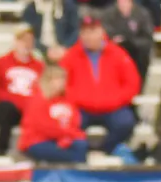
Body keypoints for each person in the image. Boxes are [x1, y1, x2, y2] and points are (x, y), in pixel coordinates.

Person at [60, 17, 141, 156]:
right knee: (67, 123)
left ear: (101, 32)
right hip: (81, 108)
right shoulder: (71, 56)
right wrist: (77, 99)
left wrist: (117, 100)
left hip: (113, 108)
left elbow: (133, 83)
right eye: (85, 32)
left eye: (93, 31)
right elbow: (61, 84)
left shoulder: (118, 54)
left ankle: (105, 150)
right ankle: (82, 152)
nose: (89, 36)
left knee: (126, 122)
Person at [0, 27, 44, 157]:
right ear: (15, 41)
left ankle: (35, 150)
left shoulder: (39, 66)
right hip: (10, 108)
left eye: (29, 40)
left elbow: (42, 92)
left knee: (39, 111)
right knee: (5, 109)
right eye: (23, 40)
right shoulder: (1, 62)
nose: (26, 44)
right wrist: (16, 100)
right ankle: (0, 149)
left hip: (29, 109)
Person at [19, 66, 89, 164]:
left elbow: (75, 121)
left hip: (63, 138)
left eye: (63, 78)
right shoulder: (38, 100)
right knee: (75, 156)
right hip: (38, 141)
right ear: (48, 81)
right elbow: (44, 127)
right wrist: (68, 136)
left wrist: (69, 138)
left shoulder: (68, 99)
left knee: (81, 145)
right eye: (57, 79)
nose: (61, 82)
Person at [100, 0, 155, 84]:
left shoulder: (142, 14)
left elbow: (147, 38)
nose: (123, 4)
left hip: (136, 52)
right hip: (115, 50)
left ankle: (138, 86)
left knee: (142, 54)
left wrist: (129, 41)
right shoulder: (108, 14)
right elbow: (105, 33)